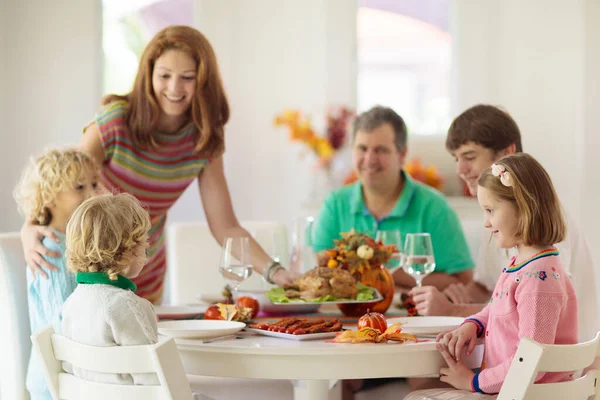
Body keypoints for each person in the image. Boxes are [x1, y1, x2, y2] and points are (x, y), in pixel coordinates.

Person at [19, 25, 296, 304]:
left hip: (145, 266)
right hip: (91, 268)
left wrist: (276, 272)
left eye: (187, 77)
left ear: (203, 81)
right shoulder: (116, 122)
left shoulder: (204, 138)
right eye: (164, 75)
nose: (174, 88)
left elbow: (227, 227)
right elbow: (63, 182)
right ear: (148, 74)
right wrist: (29, 227)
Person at [411, 104, 597, 342]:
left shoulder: (545, 225)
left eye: (469, 157)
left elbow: (535, 314)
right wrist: (452, 298)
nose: (459, 170)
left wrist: (451, 312)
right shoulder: (499, 219)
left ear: (506, 153)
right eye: (456, 159)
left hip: (557, 371)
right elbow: (485, 288)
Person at [405, 153, 578, 399]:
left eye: (490, 210)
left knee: (417, 397)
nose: (486, 223)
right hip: (511, 390)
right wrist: (473, 325)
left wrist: (472, 381)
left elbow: (529, 365)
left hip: (526, 394)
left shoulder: (538, 281)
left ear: (523, 208)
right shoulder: (524, 265)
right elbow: (496, 308)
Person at [61, 193, 212, 399]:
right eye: (144, 245)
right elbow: (153, 377)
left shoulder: (71, 304)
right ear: (126, 251)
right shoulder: (126, 305)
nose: (147, 252)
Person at [312, 105, 474, 290]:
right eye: (362, 148)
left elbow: (463, 281)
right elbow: (316, 268)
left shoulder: (434, 207)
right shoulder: (335, 204)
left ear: (402, 153)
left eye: (381, 150)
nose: (369, 159)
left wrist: (386, 271)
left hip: (413, 316)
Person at [13, 148, 101, 400]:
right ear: (49, 196)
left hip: (70, 374)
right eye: (79, 187)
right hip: (56, 380)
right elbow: (62, 323)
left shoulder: (73, 245)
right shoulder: (50, 248)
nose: (91, 193)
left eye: (94, 184)